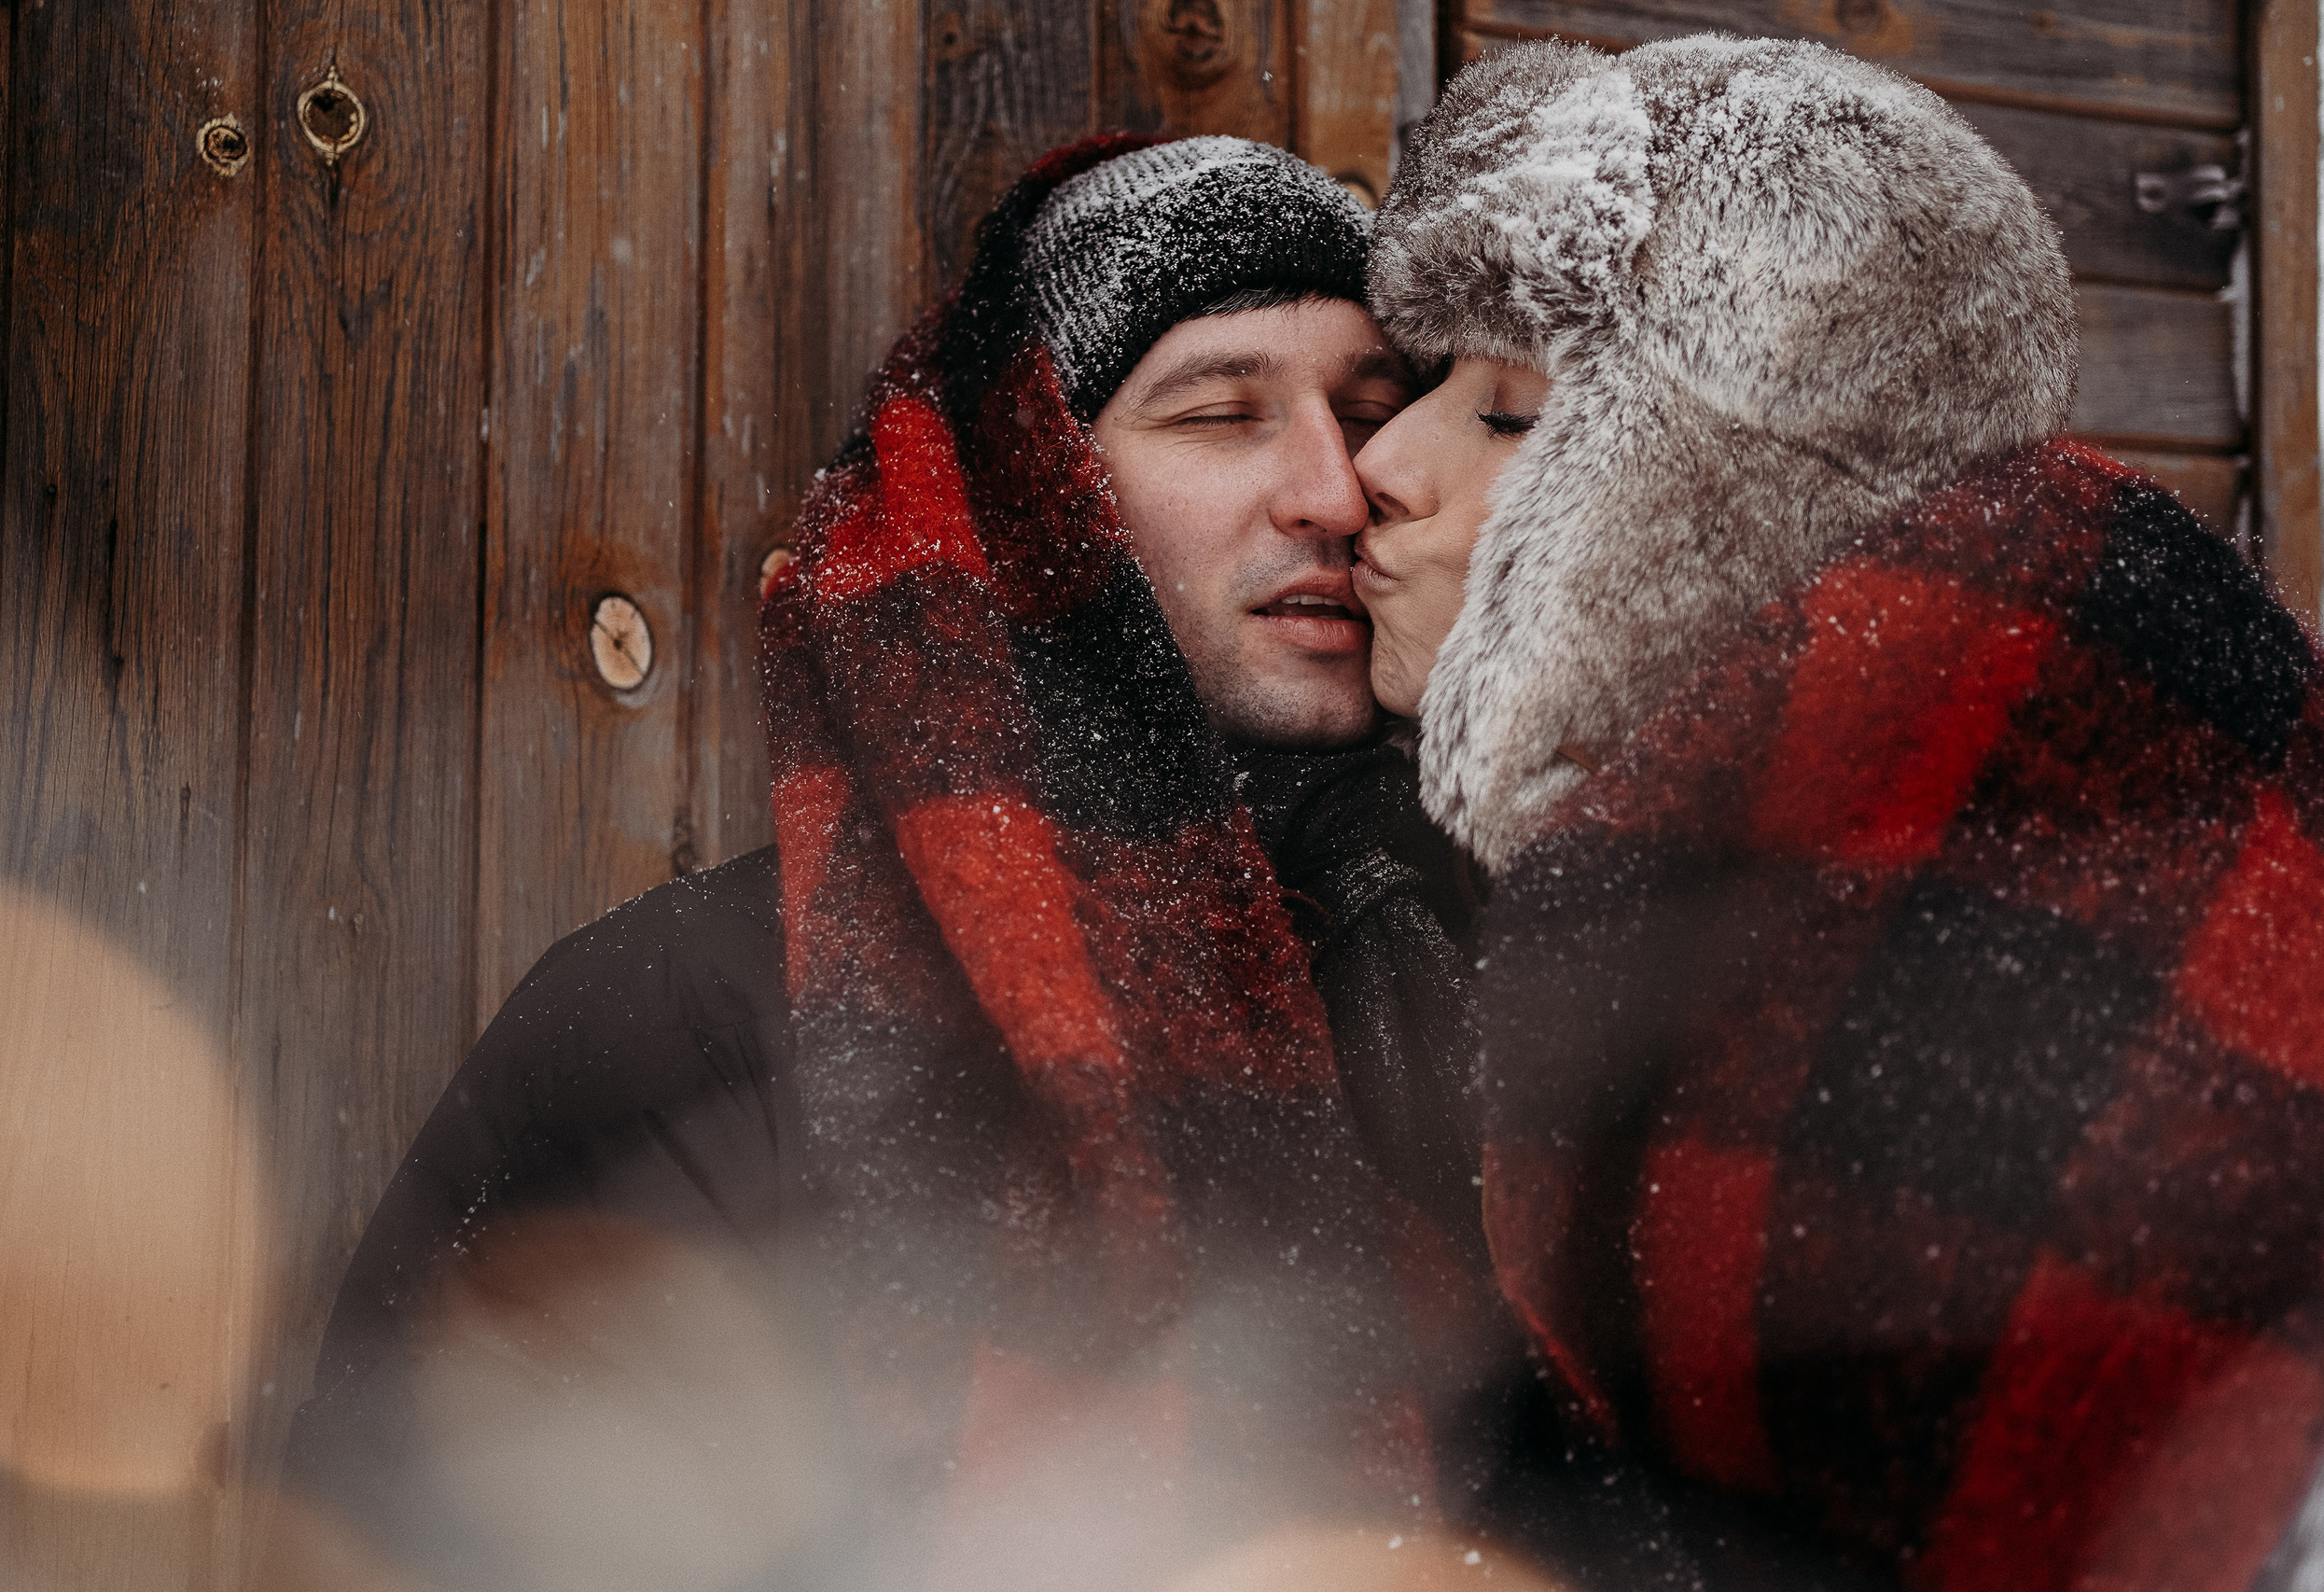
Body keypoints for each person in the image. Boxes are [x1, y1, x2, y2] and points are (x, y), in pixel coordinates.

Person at [282, 134, 1507, 1591]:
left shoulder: (1511, 965)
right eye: (1219, 414)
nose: (1332, 486)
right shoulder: (682, 1013)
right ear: (1040, 497)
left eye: (1370, 411)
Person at [1352, 35, 2324, 1592]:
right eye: (1418, 394)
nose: (1374, 470)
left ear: (1696, 501)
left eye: (1519, 417)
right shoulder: (1675, 883)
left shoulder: (1989, 877)